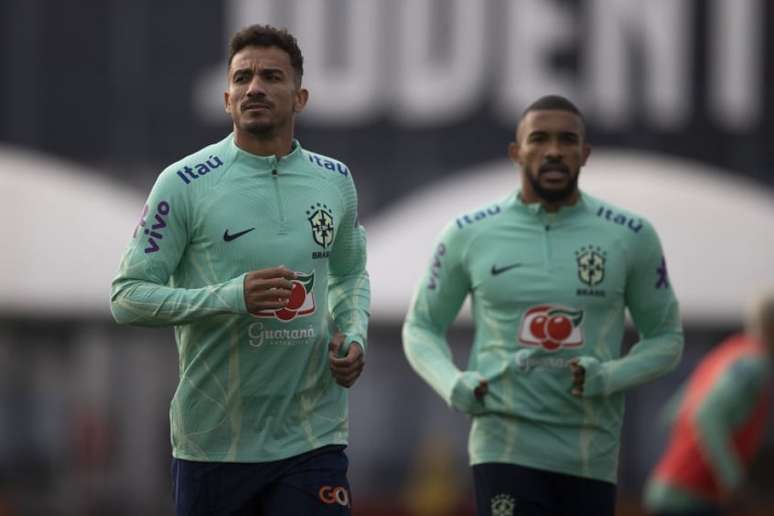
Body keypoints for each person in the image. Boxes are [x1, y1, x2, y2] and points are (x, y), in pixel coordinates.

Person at [110, 24, 370, 516]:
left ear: (301, 97)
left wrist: (352, 334)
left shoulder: (336, 181)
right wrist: (232, 296)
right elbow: (126, 297)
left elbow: (350, 274)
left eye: (272, 76)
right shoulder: (182, 182)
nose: (255, 87)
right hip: (213, 443)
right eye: (243, 77)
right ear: (227, 97)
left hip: (313, 439)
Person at [402, 94, 684, 516]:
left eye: (567, 140)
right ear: (517, 152)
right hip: (504, 445)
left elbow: (666, 339)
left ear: (584, 154)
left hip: (591, 454)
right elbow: (420, 326)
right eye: (540, 138)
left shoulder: (632, 236)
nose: (554, 150)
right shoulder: (467, 233)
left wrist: (608, 376)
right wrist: (453, 383)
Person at [643, 291, 774, 516]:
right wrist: (734, 481)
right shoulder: (755, 365)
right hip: (692, 500)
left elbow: (672, 414)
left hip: (667, 488)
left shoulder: (728, 352)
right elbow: (707, 415)